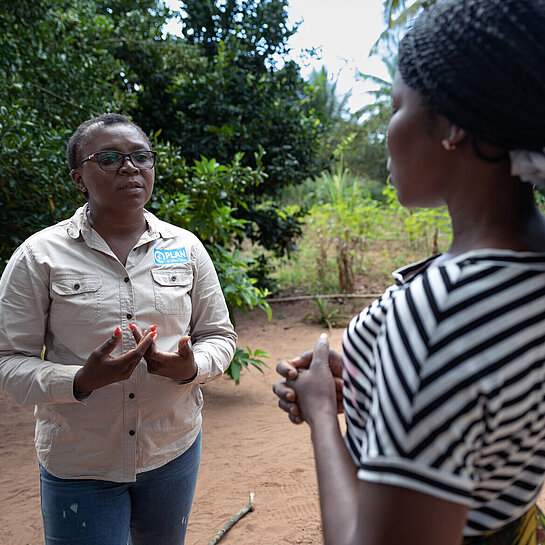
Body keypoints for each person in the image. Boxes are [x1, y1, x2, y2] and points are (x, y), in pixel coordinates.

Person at [273, 1, 545, 543]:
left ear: (452, 127)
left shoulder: (441, 314)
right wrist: (374, 369)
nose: (386, 133)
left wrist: (325, 414)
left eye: (396, 106)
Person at [0, 113, 237, 545]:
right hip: (79, 462)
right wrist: (79, 380)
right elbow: (7, 360)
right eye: (108, 158)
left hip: (172, 449)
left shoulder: (186, 248)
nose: (129, 167)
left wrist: (188, 367)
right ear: (79, 178)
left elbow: (220, 337)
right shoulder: (39, 256)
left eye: (140, 156)